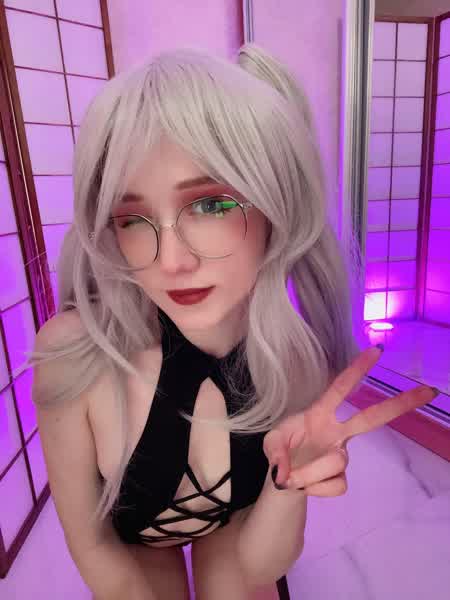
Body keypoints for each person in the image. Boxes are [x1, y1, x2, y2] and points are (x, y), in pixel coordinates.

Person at [26, 43, 367, 600]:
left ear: (275, 204)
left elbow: (262, 563)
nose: (171, 261)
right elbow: (91, 545)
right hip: (135, 545)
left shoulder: (292, 354)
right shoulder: (74, 357)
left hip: (233, 532)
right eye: (132, 218)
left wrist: (288, 486)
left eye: (210, 205)